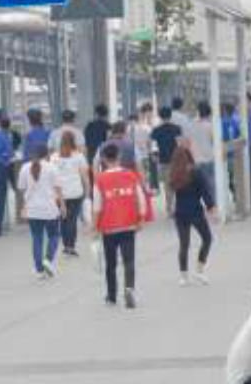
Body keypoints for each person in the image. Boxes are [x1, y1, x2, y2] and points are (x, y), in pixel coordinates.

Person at [92, 143, 149, 309]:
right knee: (129, 260)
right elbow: (140, 198)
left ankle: (111, 296)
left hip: (108, 227)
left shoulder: (100, 179)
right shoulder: (131, 175)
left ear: (103, 159)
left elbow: (97, 206)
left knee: (111, 264)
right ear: (119, 157)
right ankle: (129, 288)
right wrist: (141, 218)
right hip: (128, 224)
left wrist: (94, 228)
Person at [167, 146, 215, 287]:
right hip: (195, 211)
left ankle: (183, 276)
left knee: (184, 244)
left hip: (180, 212)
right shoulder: (196, 172)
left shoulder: (174, 174)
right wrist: (211, 206)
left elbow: (171, 191)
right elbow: (204, 191)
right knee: (207, 238)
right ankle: (199, 270)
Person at [18, 144, 64, 280]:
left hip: (33, 209)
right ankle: (48, 260)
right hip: (50, 208)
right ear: (47, 154)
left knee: (37, 238)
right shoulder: (52, 168)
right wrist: (62, 205)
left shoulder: (25, 167)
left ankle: (39, 270)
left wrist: (23, 206)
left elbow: (21, 188)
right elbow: (58, 189)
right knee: (54, 236)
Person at [50, 132, 90, 259]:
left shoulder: (54, 157)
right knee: (72, 220)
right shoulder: (79, 156)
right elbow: (84, 176)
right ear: (74, 141)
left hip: (59, 193)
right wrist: (88, 190)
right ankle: (70, 247)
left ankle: (66, 245)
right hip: (75, 192)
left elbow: (51, 177)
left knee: (63, 219)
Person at [150, 105, 183, 209]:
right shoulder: (177, 128)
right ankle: (178, 205)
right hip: (176, 160)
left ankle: (169, 207)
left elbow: (153, 145)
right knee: (178, 182)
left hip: (163, 160)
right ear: (171, 115)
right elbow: (180, 144)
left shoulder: (156, 130)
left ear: (160, 116)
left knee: (167, 184)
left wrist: (154, 156)